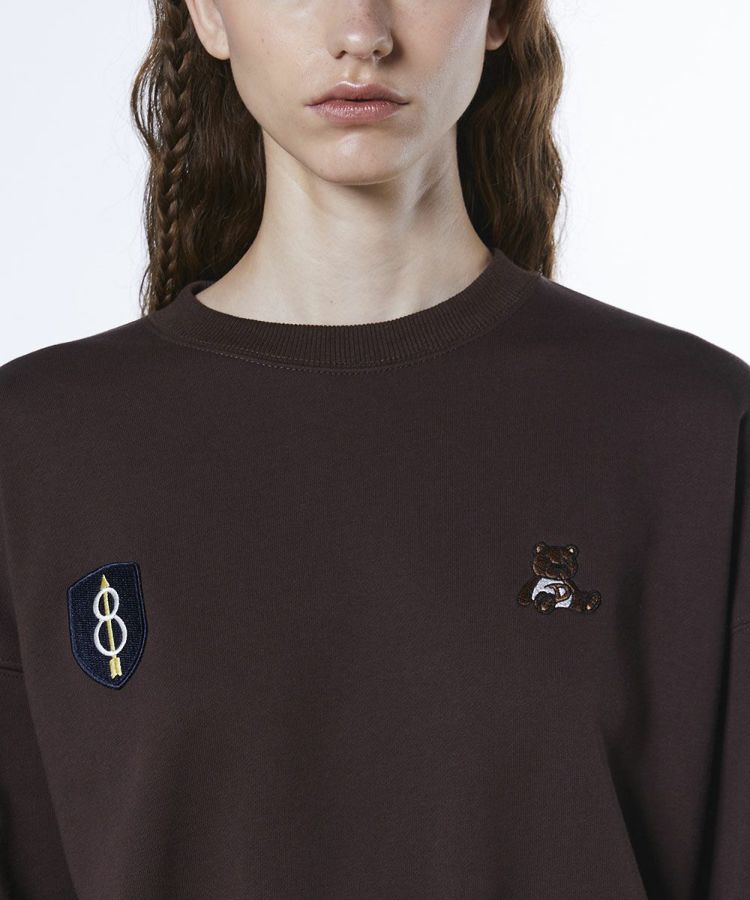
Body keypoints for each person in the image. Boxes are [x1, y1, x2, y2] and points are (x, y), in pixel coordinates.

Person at [0, 1, 747, 897]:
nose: (362, 31)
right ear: (208, 13)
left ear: (502, 12)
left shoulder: (693, 435)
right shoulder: (34, 453)